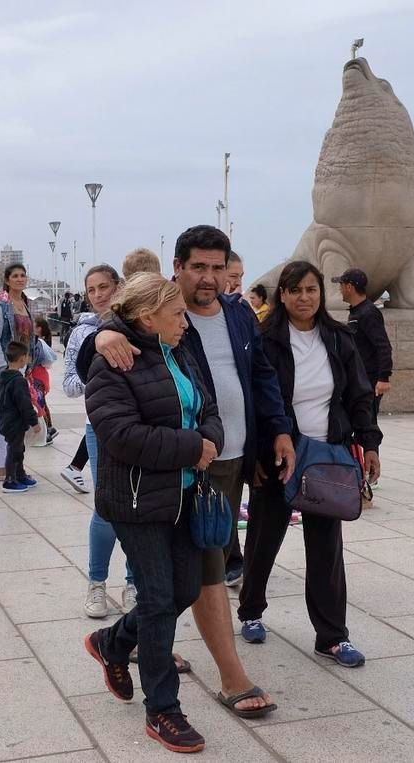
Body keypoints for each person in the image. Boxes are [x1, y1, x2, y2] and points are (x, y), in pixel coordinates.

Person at [81, 226, 289, 716]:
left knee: (187, 580)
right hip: (181, 465)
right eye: (199, 266)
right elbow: (112, 342)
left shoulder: (238, 314)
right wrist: (101, 335)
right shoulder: (162, 320)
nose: (210, 277)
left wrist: (275, 429)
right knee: (200, 573)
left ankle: (120, 640)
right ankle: (227, 678)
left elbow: (258, 375)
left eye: (219, 267)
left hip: (232, 452)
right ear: (177, 267)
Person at [82, 273, 224, 755]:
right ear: (147, 316)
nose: (185, 321)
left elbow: (208, 406)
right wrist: (193, 447)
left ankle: (113, 642)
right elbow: (120, 434)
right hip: (137, 500)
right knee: (160, 598)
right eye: (177, 313)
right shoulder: (113, 361)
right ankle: (163, 709)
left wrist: (210, 439)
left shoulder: (178, 348)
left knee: (184, 588)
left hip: (184, 494)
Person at [239, 261, 382, 668]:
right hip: (277, 456)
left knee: (326, 549)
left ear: (322, 294)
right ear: (282, 294)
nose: (304, 297)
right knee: (264, 540)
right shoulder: (265, 340)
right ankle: (251, 610)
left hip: (326, 456)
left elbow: (359, 394)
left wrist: (368, 442)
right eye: (296, 290)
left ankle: (332, 636)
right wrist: (253, 457)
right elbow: (253, 403)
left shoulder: (339, 338)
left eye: (312, 290)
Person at [63, 265, 134, 616]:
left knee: (139, 505)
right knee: (105, 506)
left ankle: (134, 583)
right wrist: (100, 377)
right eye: (91, 290)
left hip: (138, 425)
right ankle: (97, 583)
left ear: (118, 287)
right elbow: (69, 385)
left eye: (104, 287)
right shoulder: (82, 332)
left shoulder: (137, 322)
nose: (98, 295)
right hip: (100, 425)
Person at [0, 264, 56, 481]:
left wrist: (29, 366)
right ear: (7, 280)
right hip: (7, 368)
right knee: (3, 418)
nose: (20, 279)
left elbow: (30, 339)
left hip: (23, 367)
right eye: (15, 276)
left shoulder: (25, 305)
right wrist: (3, 368)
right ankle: (1, 466)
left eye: (23, 275)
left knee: (17, 419)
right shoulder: (1, 306)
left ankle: (16, 466)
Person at [334, 268, 393, 422]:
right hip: (359, 379)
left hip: (369, 381)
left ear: (349, 287)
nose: (339, 289)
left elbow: (383, 346)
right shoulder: (356, 312)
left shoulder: (368, 313)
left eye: (341, 285)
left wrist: (383, 378)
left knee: (367, 424)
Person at [0, 341, 41, 494]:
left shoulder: (3, 377)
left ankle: (20, 474)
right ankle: (10, 480)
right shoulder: (19, 381)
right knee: (14, 450)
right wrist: (34, 422)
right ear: (22, 359)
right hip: (15, 421)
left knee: (18, 448)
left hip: (5, 420)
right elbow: (24, 404)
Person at [31, 315, 58, 445]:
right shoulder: (42, 342)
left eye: (34, 326)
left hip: (37, 376)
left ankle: (47, 430)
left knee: (40, 403)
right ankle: (50, 428)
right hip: (41, 376)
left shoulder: (39, 343)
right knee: (42, 403)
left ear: (39, 329)